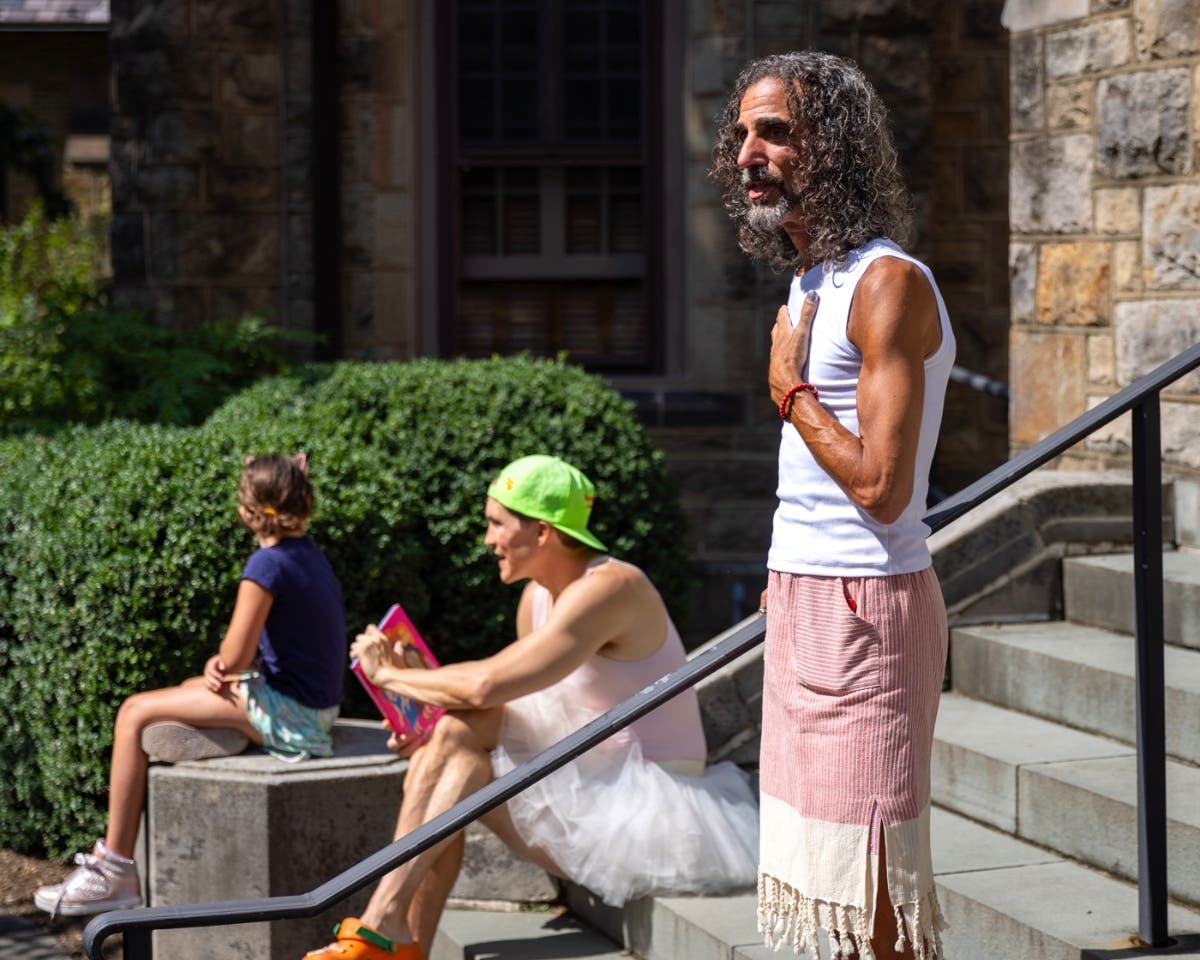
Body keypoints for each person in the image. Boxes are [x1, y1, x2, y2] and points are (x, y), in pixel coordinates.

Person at [303, 454, 758, 960]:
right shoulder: (536, 599)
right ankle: (394, 937)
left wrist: (390, 675)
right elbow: (514, 706)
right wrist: (423, 710)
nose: (487, 540)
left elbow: (485, 688)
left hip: (647, 813)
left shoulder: (611, 588)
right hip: (587, 786)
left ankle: (382, 932)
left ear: (542, 532)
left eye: (497, 524)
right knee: (450, 740)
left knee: (456, 738)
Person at [711, 52, 956, 959]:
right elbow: (814, 484)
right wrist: (788, 574)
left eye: (774, 130)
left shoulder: (890, 282)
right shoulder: (811, 279)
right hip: (809, 594)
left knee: (874, 879)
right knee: (824, 881)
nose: (748, 152)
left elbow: (884, 490)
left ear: (837, 146)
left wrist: (788, 391)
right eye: (742, 132)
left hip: (868, 607)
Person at [35, 453, 347, 918]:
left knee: (134, 712)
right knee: (186, 688)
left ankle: (115, 869)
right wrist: (222, 668)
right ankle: (227, 734)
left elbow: (236, 655)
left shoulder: (266, 567)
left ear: (246, 512)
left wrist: (221, 663)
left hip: (294, 716)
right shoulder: (310, 555)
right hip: (315, 707)